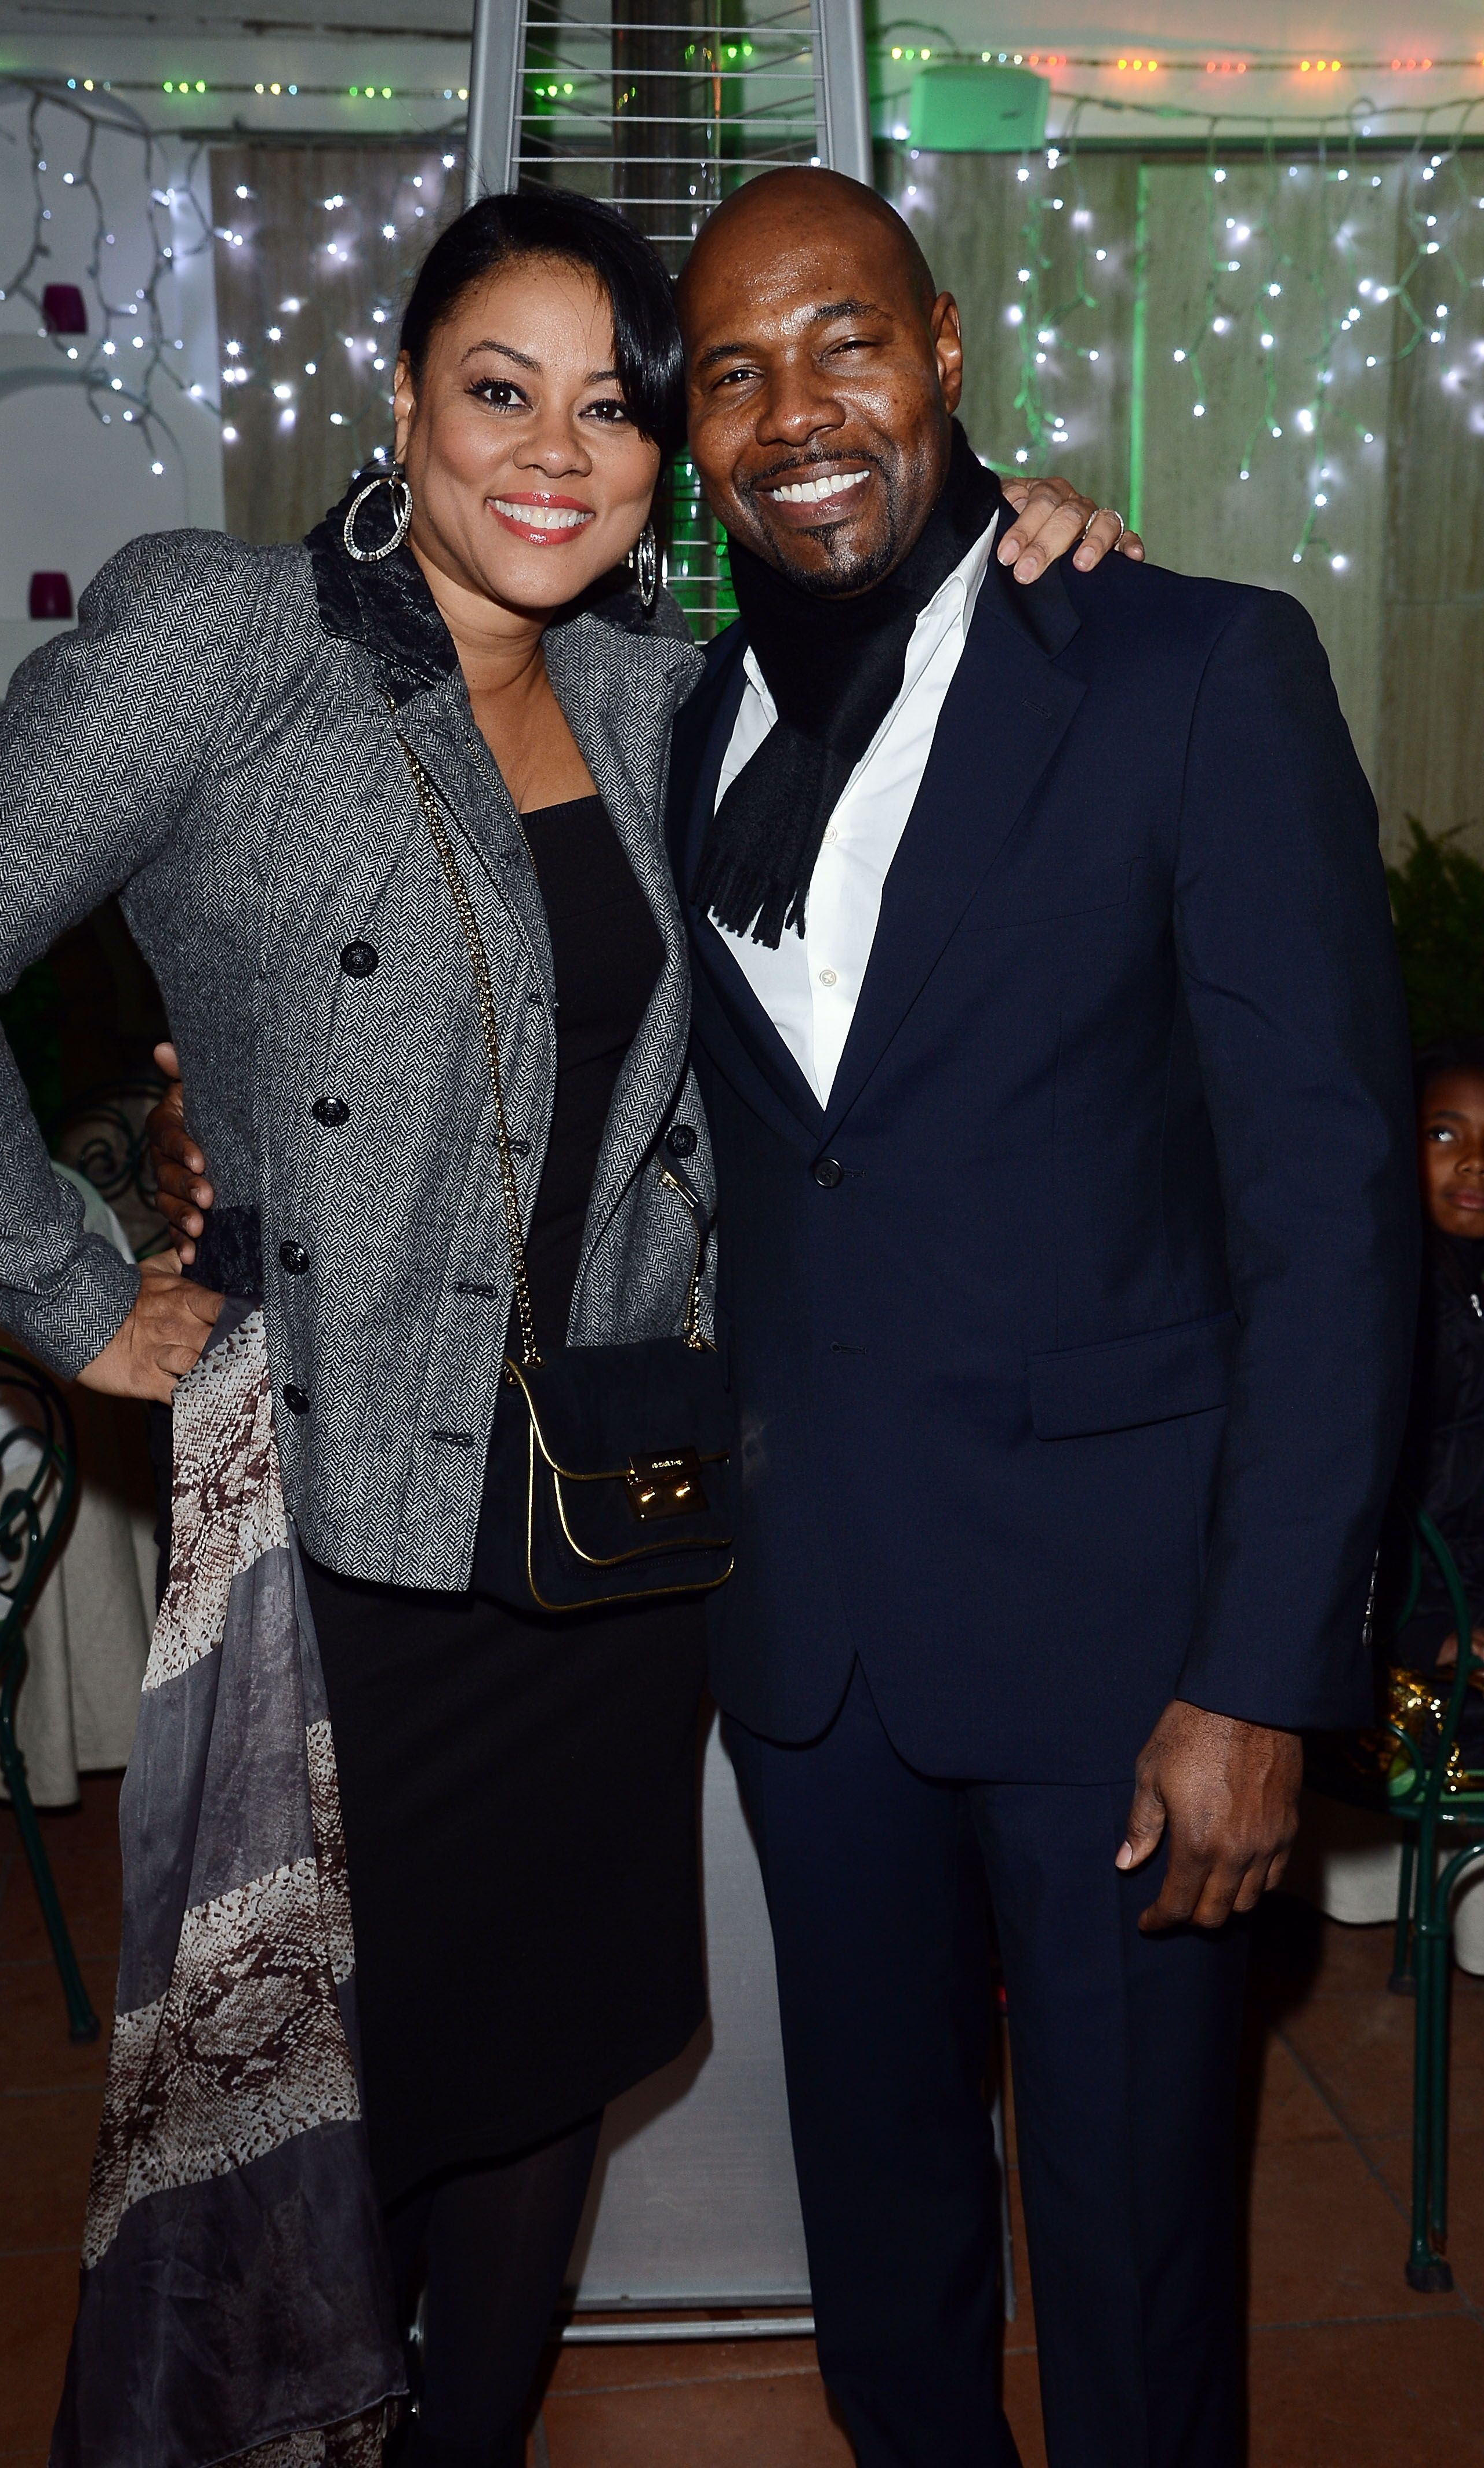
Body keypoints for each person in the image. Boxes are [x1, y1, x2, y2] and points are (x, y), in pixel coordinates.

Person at [0, 187, 1120, 2468]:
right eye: (497, 392)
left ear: (663, 458)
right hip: (347, 1518)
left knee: (547, 2058)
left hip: (611, 1510)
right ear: (403, 406)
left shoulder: (667, 692)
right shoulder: (220, 635)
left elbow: (907, 752)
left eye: (614, 409)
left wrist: (1034, 546)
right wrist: (70, 1293)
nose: (557, 455)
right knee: (346, 2092)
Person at [655, 169, 1415, 2467]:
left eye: (846, 340)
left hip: (1124, 1651)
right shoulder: (686, 716)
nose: (800, 411)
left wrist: (1262, 1669)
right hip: (812, 1638)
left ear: (950, 344)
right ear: (687, 429)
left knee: (1135, 2237)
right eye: (732, 371)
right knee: (879, 2220)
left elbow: (1331, 1208)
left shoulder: (1190, 663)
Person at [1397, 1036, 1484, 1678]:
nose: (1475, 1162)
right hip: (1419, 1643)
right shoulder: (1386, 1300)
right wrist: (1426, 1636)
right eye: (1443, 1135)